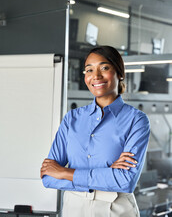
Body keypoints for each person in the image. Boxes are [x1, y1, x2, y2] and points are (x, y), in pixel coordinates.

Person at [40, 46, 150, 217]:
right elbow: (48, 177)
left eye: (104, 68)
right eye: (89, 70)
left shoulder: (136, 120)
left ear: (119, 73)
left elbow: (125, 181)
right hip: (73, 208)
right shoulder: (72, 119)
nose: (96, 76)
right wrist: (107, 175)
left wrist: (65, 172)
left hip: (116, 208)